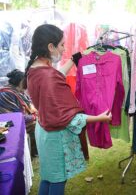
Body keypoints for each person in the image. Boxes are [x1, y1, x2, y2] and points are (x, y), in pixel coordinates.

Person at [23, 24, 112, 195]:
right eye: (62, 45)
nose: (64, 49)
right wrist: (99, 118)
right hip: (54, 136)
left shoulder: (36, 68)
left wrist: (73, 60)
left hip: (43, 130)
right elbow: (67, 118)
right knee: (58, 179)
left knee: (48, 177)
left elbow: (55, 76)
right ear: (50, 46)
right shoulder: (48, 76)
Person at [0, 69, 38, 157]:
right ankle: (33, 154)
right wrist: (34, 117)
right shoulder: (6, 94)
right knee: (38, 125)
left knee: (41, 122)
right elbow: (15, 118)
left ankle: (35, 153)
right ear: (21, 81)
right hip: (5, 126)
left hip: (16, 122)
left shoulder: (19, 92)